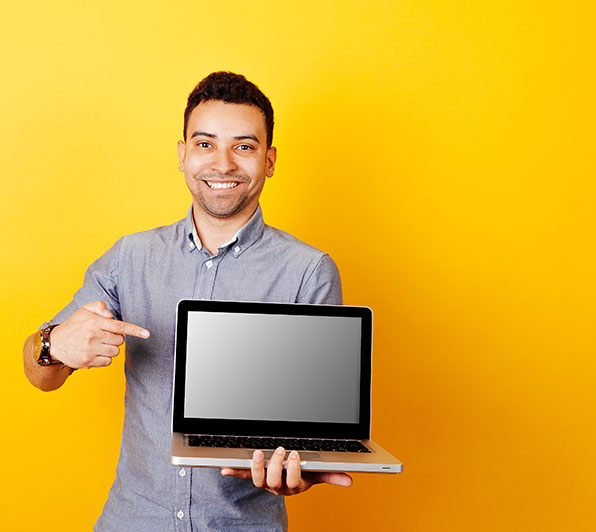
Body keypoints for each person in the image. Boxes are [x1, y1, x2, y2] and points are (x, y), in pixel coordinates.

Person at [22, 71, 352, 532]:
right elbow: (41, 376)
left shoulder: (307, 272)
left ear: (269, 160)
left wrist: (299, 471)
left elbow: (312, 438)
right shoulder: (130, 256)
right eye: (204, 144)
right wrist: (53, 343)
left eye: (244, 146)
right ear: (182, 155)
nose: (223, 164)